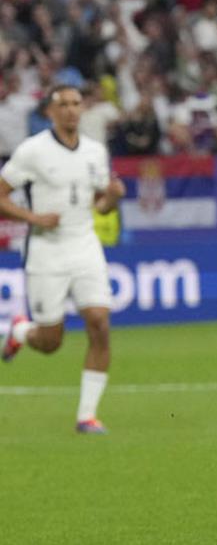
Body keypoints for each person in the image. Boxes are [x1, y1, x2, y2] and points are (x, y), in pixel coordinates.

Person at [0, 84, 125, 434]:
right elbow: (1, 195)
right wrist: (34, 219)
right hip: (46, 249)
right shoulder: (32, 151)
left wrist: (113, 198)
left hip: (84, 243)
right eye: (63, 105)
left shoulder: (95, 152)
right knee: (50, 342)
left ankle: (87, 416)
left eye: (75, 103)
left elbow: (100, 204)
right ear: (50, 112)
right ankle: (23, 331)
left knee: (99, 322)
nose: (71, 110)